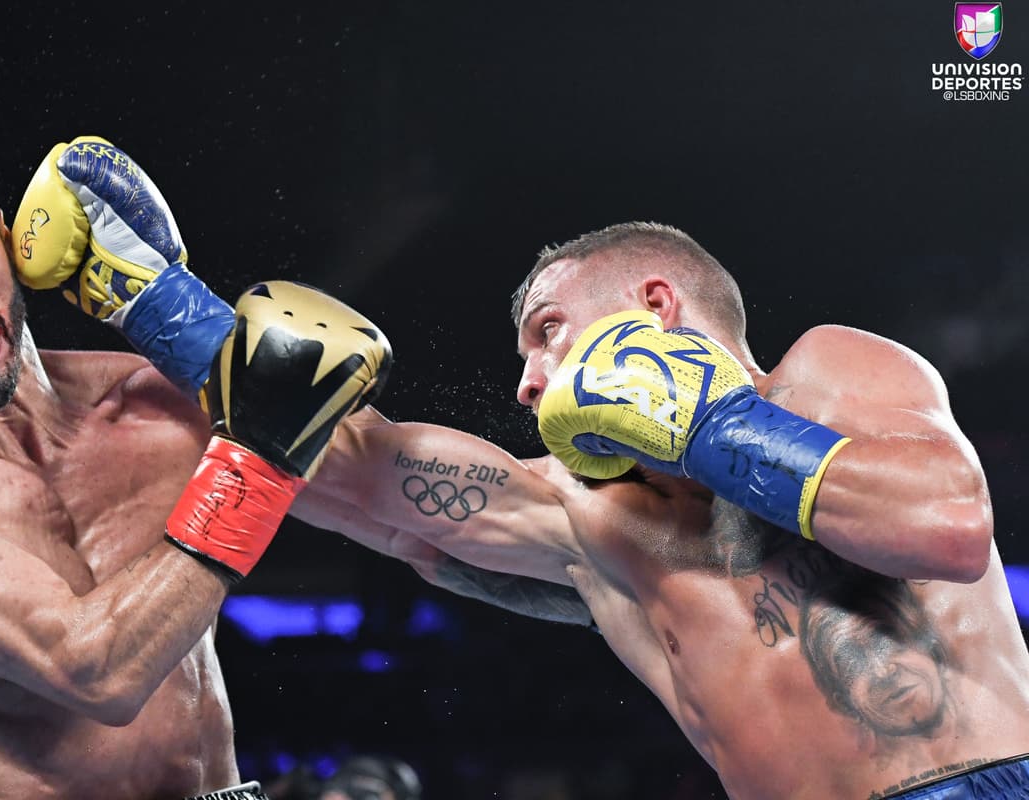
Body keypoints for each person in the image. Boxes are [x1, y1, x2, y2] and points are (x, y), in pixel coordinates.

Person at [291, 222, 1029, 799]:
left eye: (547, 331)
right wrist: (183, 328)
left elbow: (949, 529)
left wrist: (704, 425)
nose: (529, 382)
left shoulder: (827, 374)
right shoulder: (586, 512)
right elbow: (357, 475)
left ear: (654, 305)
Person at [0, 89, 389, 800]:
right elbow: (94, 670)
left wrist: (179, 312)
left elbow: (370, 475)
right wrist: (255, 459)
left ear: (11, 243)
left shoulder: (152, 402)